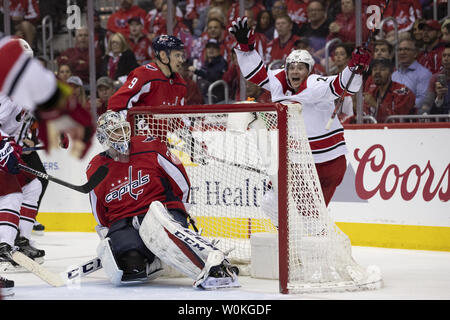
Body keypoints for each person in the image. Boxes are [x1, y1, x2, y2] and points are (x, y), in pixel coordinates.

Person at [229, 16, 371, 209]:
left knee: (311, 218)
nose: (295, 71)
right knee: (270, 203)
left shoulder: (316, 85)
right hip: (298, 160)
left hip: (329, 161)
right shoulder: (279, 82)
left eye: (300, 68)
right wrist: (246, 48)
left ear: (309, 70)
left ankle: (309, 236)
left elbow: (343, 86)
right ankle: (291, 238)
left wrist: (355, 68)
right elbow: (255, 74)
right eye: (291, 67)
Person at [86, 110, 240, 289]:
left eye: (124, 129)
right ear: (104, 137)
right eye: (116, 131)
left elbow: (180, 180)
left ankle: (214, 265)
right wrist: (109, 231)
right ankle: (157, 259)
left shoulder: (150, 146)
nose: (122, 135)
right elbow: (99, 210)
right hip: (125, 222)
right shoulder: (95, 167)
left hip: (159, 210)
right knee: (131, 267)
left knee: (161, 230)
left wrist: (179, 212)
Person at [0, 37, 94, 297]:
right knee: (10, 194)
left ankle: (18, 239)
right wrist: (3, 146)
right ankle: (4, 243)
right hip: (4, 147)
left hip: (14, 146)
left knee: (34, 185)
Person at [107, 35, 187, 119]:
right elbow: (116, 103)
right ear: (163, 55)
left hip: (166, 132)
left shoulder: (180, 82)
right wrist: (135, 124)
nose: (181, 60)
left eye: (182, 56)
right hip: (142, 132)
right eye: (177, 55)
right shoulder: (144, 75)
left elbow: (180, 118)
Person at [363, 58, 416, 123]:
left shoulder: (403, 91)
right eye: (374, 69)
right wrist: (355, 107)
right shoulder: (372, 92)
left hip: (402, 131)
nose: (377, 72)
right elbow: (364, 117)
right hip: (377, 131)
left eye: (382, 69)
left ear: (391, 72)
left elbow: (397, 120)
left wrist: (375, 105)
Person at [392, 38, 432, 109]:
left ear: (415, 53)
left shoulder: (424, 74)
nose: (402, 52)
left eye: (406, 49)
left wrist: (401, 107)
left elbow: (422, 100)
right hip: (394, 115)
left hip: (413, 116)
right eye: (400, 50)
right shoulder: (394, 75)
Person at [189, 39, 228, 103]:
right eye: (209, 47)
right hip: (208, 95)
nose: (211, 50)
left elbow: (214, 76)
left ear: (219, 50)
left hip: (218, 97)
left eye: (214, 48)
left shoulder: (222, 62)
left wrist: (197, 71)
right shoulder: (207, 63)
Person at [420, 44, 450, 115]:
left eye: (449, 56)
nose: (446, 59)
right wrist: (439, 97)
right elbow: (427, 103)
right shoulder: (435, 78)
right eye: (444, 55)